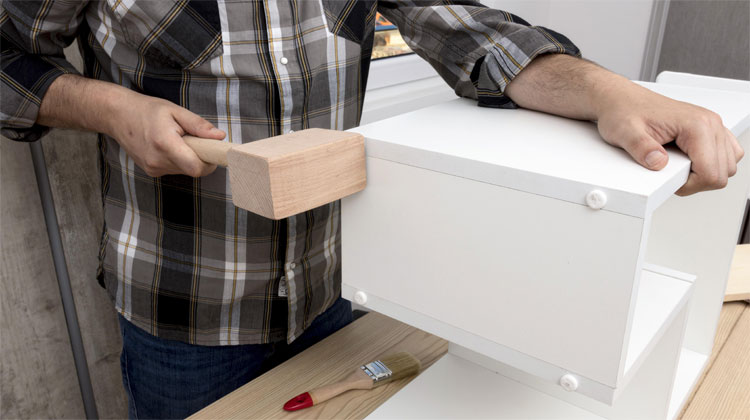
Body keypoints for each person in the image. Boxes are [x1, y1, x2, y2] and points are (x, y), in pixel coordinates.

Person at [1, 1, 742, 418]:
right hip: (186, 317)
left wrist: (609, 93)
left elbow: (475, 34)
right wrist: (111, 108)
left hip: (333, 290)